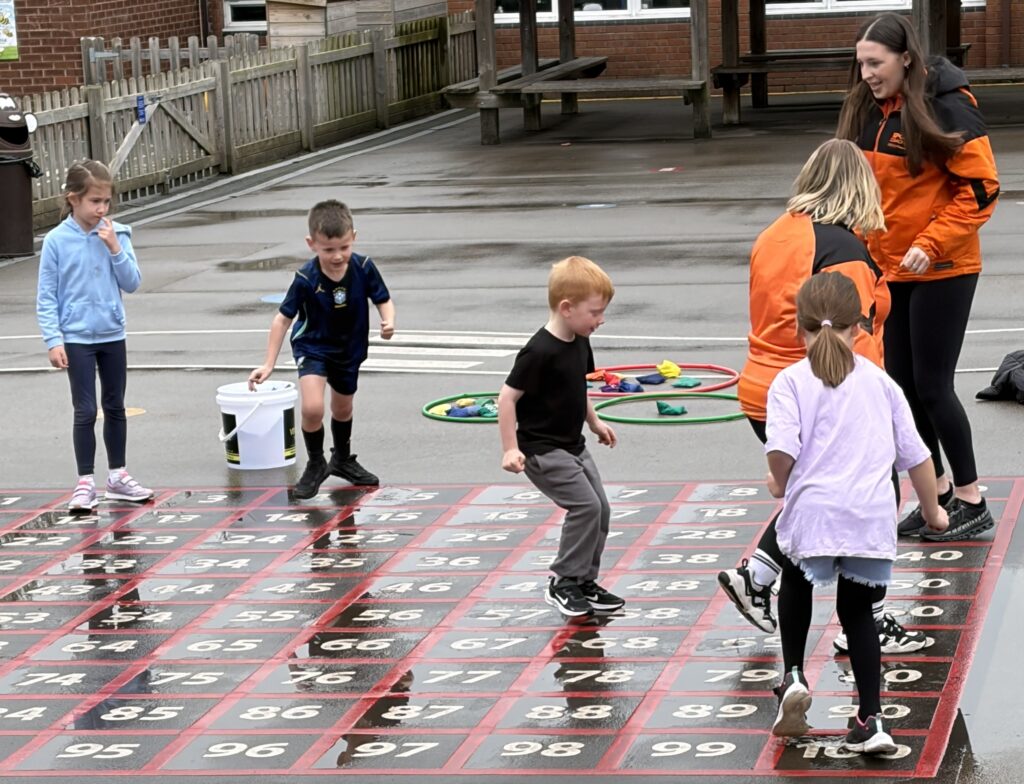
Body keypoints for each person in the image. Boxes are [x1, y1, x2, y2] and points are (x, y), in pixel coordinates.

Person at [719, 139, 929, 656]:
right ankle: (866, 619)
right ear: (860, 188)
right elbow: (856, 341)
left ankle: (759, 575)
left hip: (761, 384)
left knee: (814, 490)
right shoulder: (845, 252)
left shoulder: (775, 232)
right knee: (868, 496)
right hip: (817, 389)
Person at [765, 273, 948, 753]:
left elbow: (781, 449)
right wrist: (933, 512)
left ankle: (793, 675)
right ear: (860, 326)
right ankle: (871, 719)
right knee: (858, 613)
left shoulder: (790, 382)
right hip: (869, 515)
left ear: (798, 327)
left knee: (796, 582)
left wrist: (779, 482)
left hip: (815, 512)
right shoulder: (881, 382)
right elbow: (918, 456)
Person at [837, 13, 1000, 542]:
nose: (866, 73)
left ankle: (972, 500)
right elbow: (865, 190)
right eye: (861, 63)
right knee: (903, 389)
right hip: (890, 269)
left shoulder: (949, 107)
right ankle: (941, 493)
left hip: (944, 268)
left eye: (875, 63)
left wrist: (929, 245)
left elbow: (981, 191)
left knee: (933, 386)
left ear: (905, 58)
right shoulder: (871, 109)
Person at [497, 256, 622, 619]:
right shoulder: (539, 350)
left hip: (572, 445)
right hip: (542, 449)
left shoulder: (580, 340)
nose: (601, 320)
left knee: (601, 509)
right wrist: (510, 449)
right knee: (586, 507)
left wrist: (594, 422)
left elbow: (577, 388)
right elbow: (506, 398)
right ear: (567, 308)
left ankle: (584, 581)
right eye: (595, 312)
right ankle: (563, 581)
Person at [249, 200, 395, 499]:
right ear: (311, 244)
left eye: (344, 247)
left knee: (342, 409)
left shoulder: (364, 267)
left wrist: (388, 320)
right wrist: (268, 363)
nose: (337, 256)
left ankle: (342, 459)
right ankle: (316, 463)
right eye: (328, 250)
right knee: (313, 408)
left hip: (349, 348)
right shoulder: (306, 278)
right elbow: (282, 319)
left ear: (353, 237)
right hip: (313, 346)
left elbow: (383, 298)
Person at [36, 160, 153, 512]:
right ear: (73, 199)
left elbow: (132, 282)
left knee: (115, 405)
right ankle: (85, 482)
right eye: (94, 201)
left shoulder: (119, 233)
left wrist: (115, 248)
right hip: (76, 338)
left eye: (106, 202)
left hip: (112, 333)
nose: (101, 209)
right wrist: (53, 340)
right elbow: (46, 295)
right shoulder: (56, 241)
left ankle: (118, 476)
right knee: (85, 410)